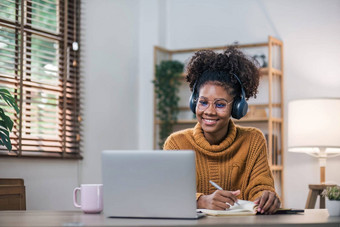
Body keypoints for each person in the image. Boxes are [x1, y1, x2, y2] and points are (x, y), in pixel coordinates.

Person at [163, 46, 281, 214]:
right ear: (193, 102)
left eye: (220, 104)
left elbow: (260, 186)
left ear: (237, 107)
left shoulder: (253, 140)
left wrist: (266, 197)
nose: (209, 111)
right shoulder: (177, 143)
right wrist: (201, 201)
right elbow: (169, 193)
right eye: (203, 102)